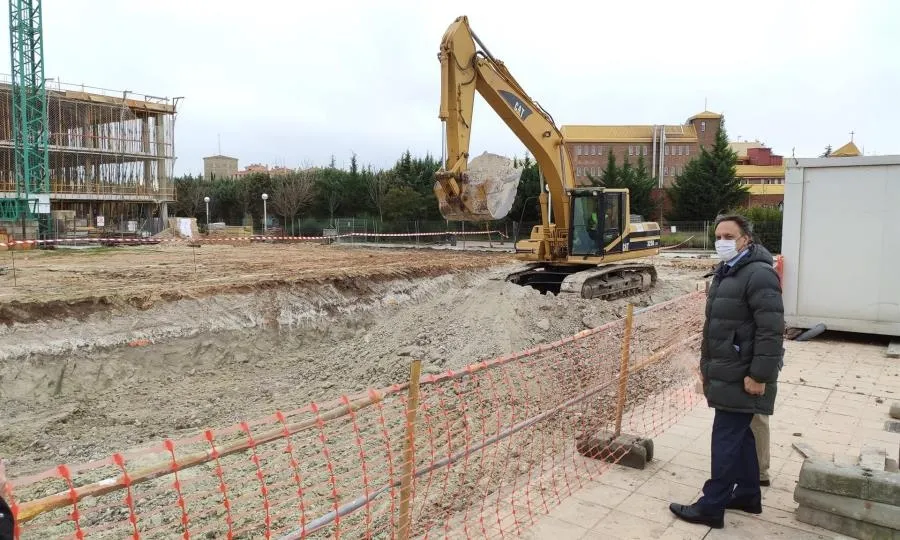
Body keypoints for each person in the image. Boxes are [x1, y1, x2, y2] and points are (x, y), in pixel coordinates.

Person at [669, 214, 784, 529]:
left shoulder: (758, 274)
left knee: (725, 438)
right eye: (718, 236)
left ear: (746, 238)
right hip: (728, 369)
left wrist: (760, 375)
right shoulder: (730, 270)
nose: (722, 242)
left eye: (729, 236)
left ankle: (712, 505)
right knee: (742, 436)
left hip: (743, 374)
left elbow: (771, 330)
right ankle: (747, 494)